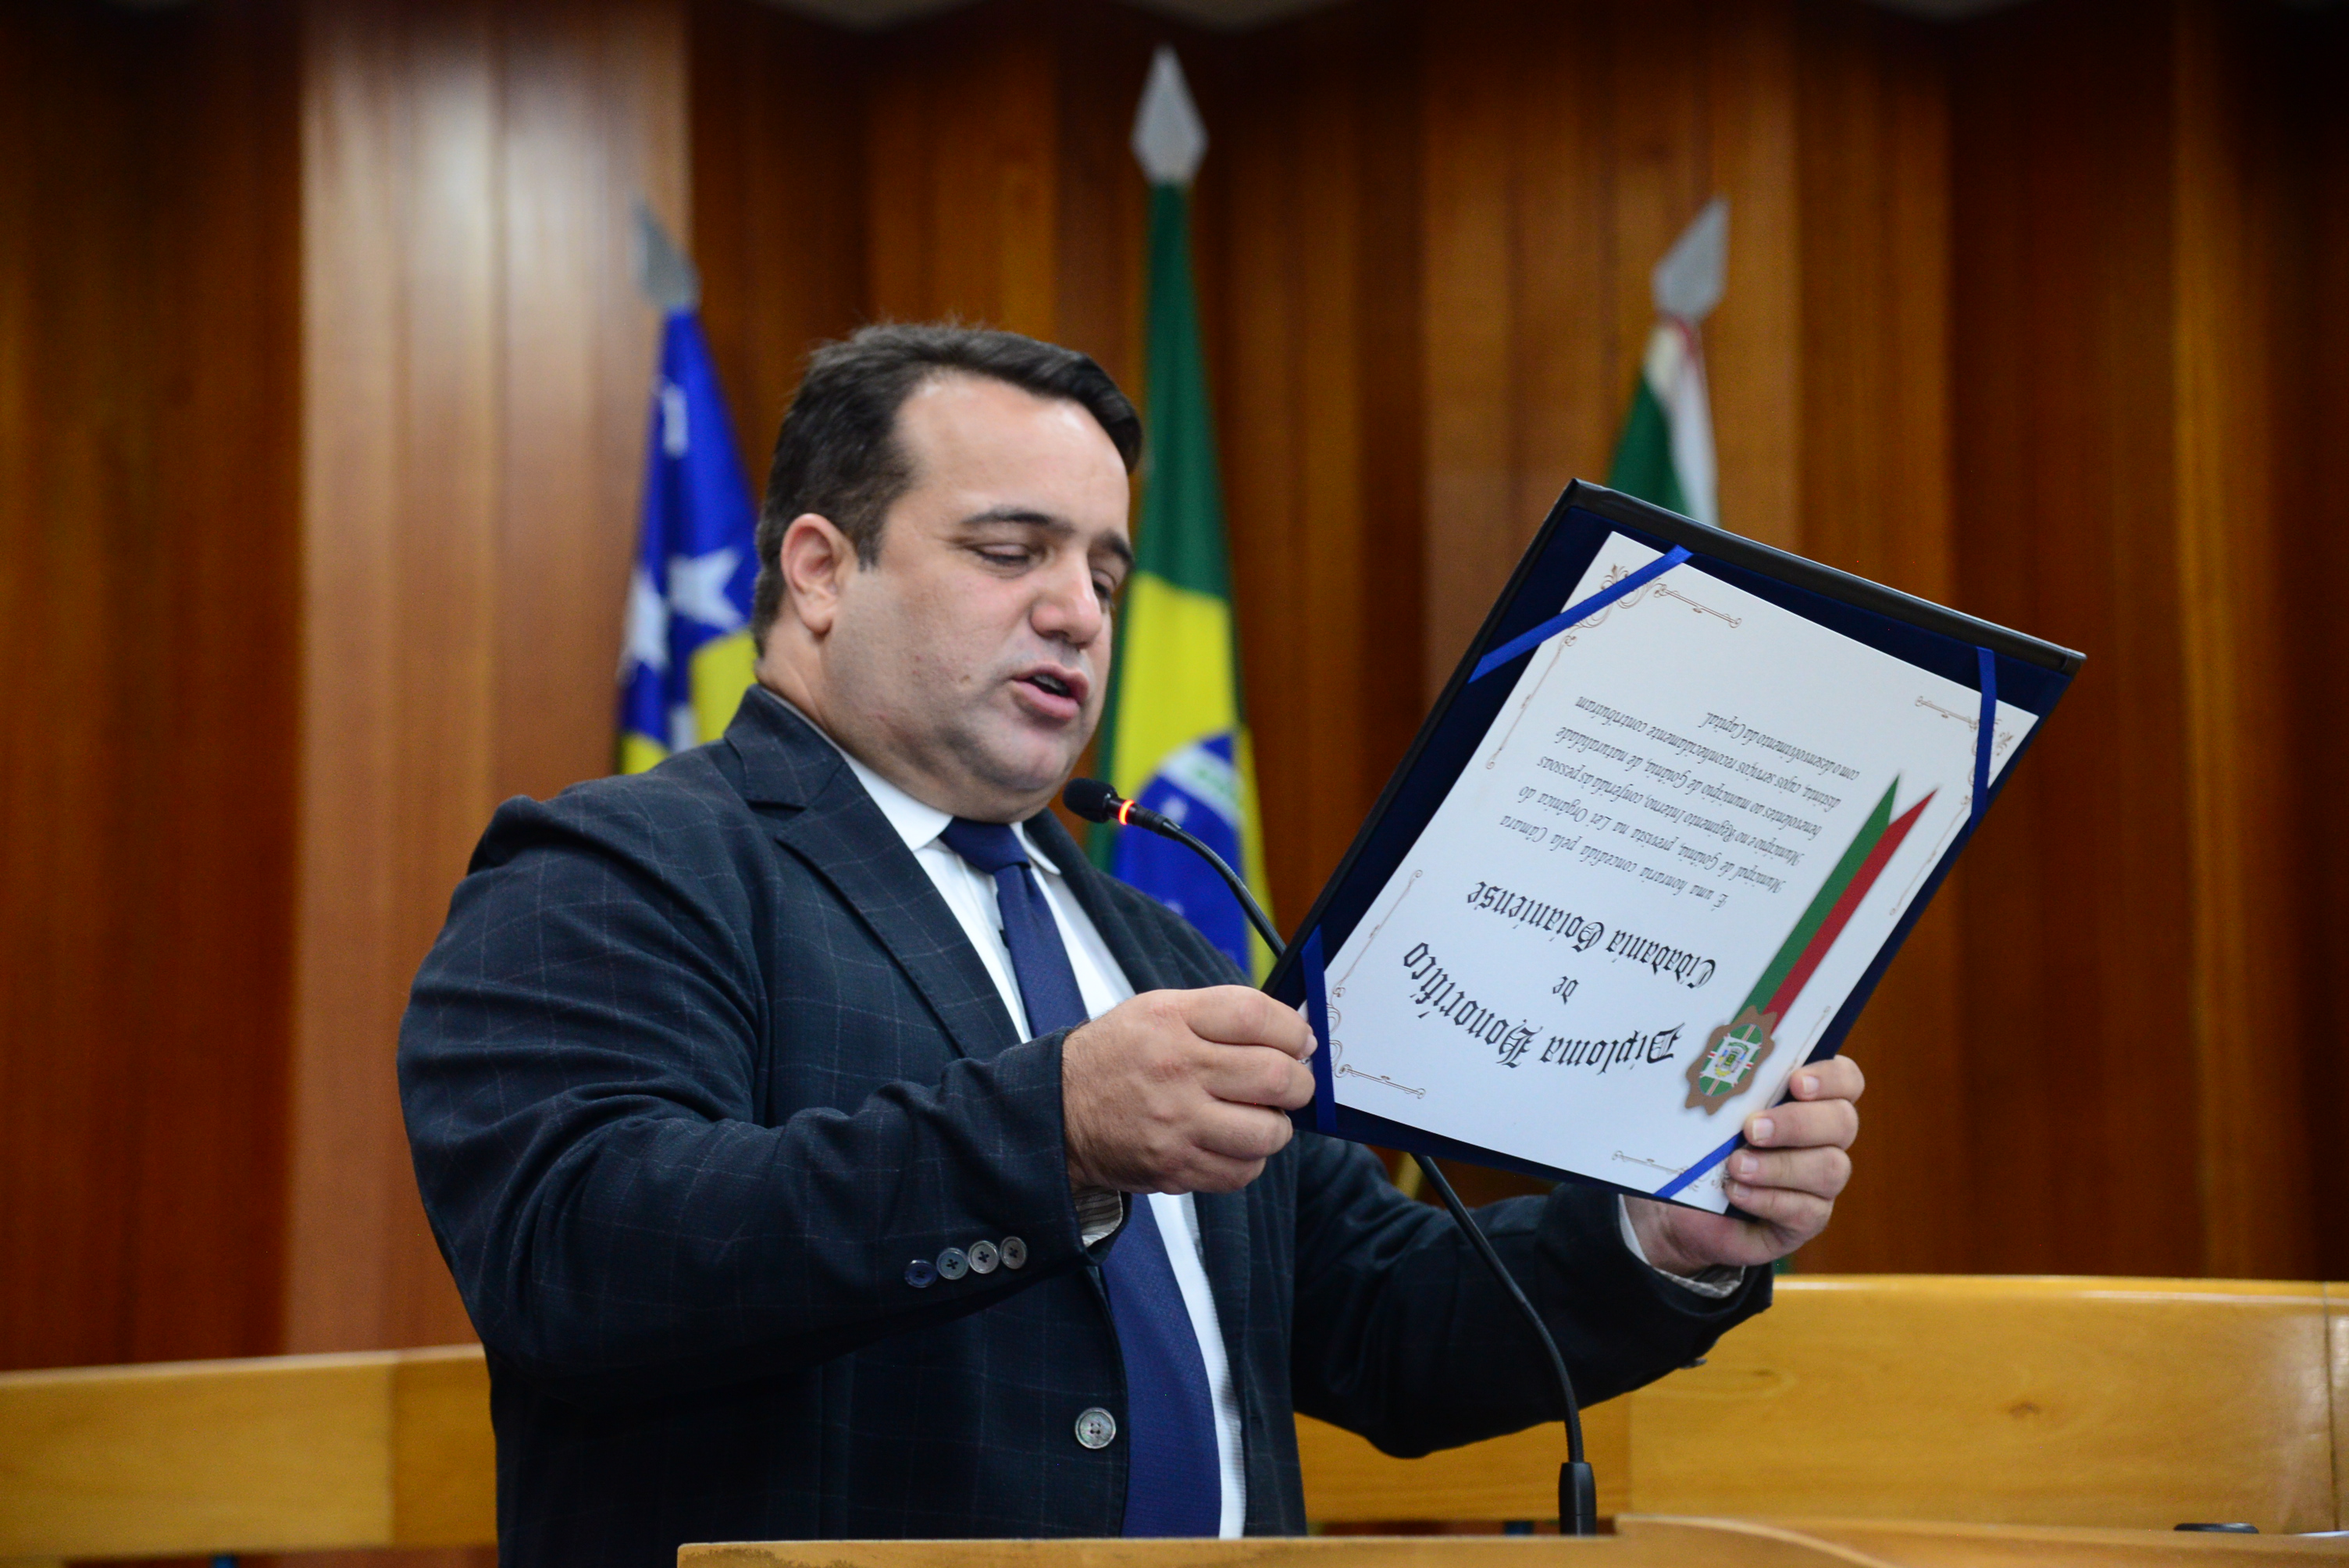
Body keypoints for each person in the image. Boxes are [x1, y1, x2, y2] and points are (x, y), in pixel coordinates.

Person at [398, 324, 1865, 1566]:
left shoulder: (1162, 945)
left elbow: (1379, 1321)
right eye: (1009, 551)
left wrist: (1656, 1240)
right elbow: (577, 1254)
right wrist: (1054, 1132)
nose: (1076, 613)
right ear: (824, 570)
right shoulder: (623, 867)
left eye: (1104, 574)